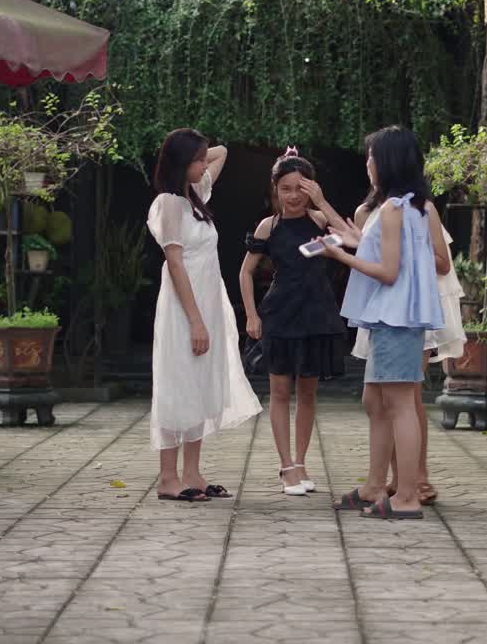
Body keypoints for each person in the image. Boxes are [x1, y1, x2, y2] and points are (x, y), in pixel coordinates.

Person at [301, 178, 458, 508]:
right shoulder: (383, 209)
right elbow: (383, 253)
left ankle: (409, 491)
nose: (369, 167)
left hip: (398, 313)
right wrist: (352, 240)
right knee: (376, 400)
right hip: (384, 313)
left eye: (373, 158)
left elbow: (393, 268)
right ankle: (378, 486)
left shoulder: (408, 208)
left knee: (402, 403)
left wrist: (340, 255)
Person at [146, 128, 262, 502]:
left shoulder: (194, 196)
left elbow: (223, 150)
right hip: (184, 309)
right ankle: (168, 476)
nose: (203, 165)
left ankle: (193, 472)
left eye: (201, 159)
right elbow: (176, 265)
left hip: (208, 304)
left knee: (199, 383)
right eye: (196, 160)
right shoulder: (168, 204)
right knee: (176, 382)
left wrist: (194, 154)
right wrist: (195, 319)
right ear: (181, 163)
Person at [239, 148, 346, 497]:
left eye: (301, 188)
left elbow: (350, 236)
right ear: (275, 189)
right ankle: (286, 467)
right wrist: (252, 315)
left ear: (311, 188)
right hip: (281, 314)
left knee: (309, 393)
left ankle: (301, 463)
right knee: (281, 392)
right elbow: (245, 272)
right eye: (286, 188)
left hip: (317, 313)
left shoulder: (319, 220)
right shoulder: (268, 226)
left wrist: (323, 201)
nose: (294, 195)